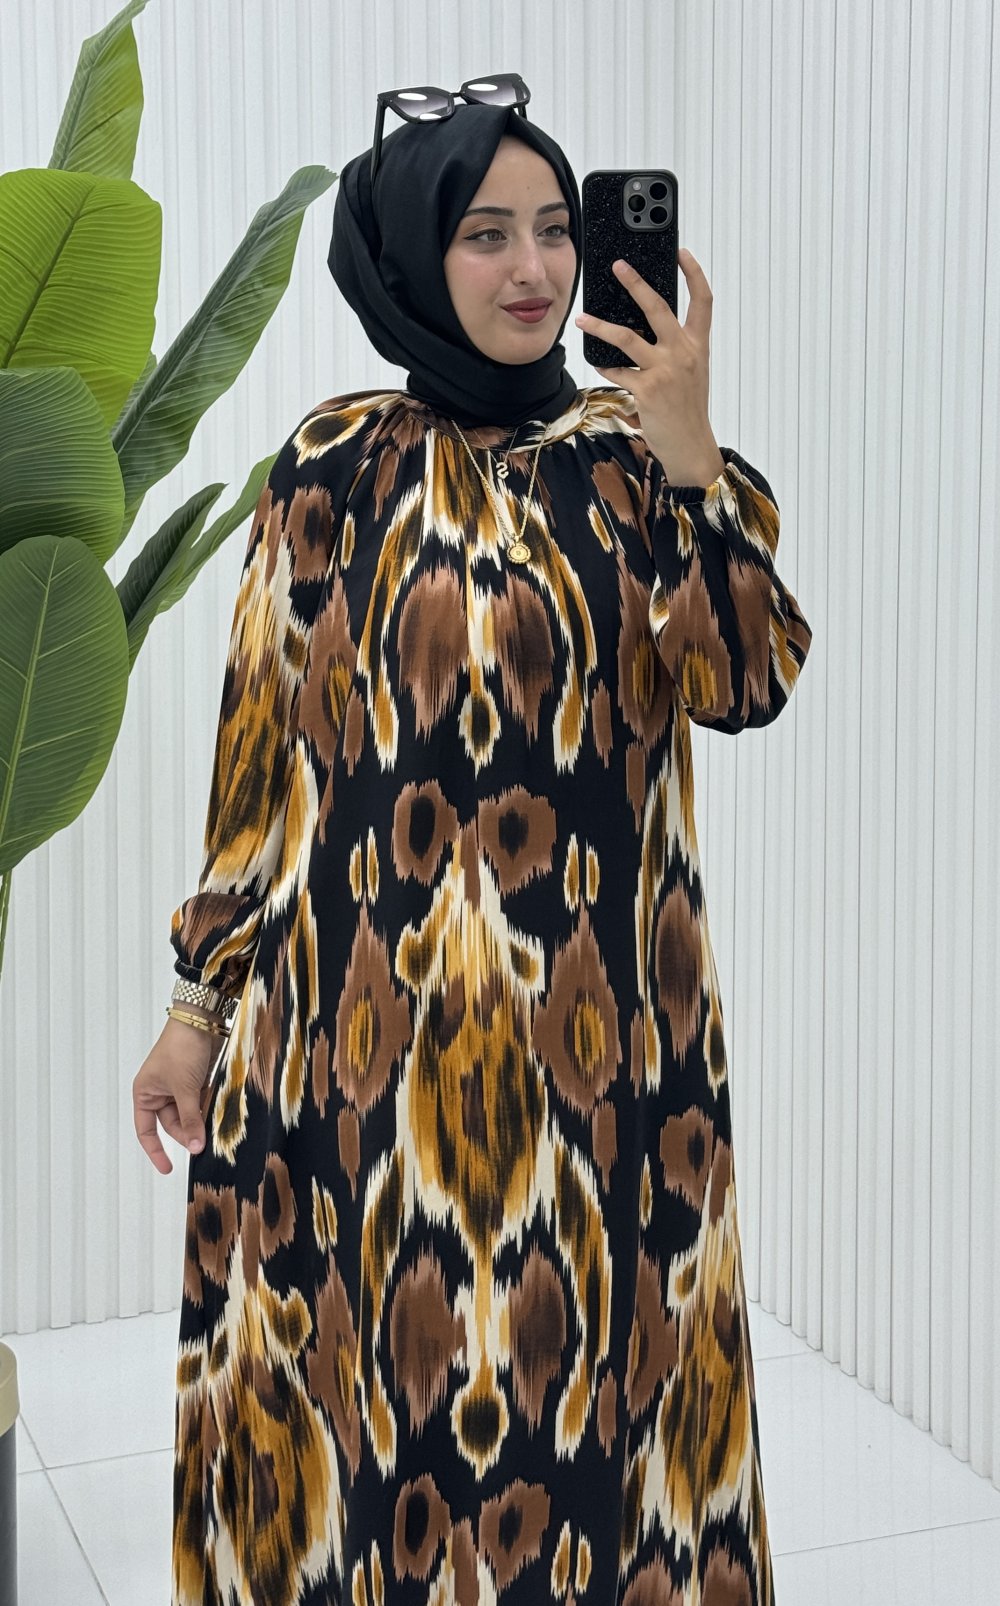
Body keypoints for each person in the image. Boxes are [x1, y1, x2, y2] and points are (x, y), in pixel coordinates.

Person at [132, 80, 810, 1606]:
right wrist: (194, 1009)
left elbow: (746, 681)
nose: (535, 269)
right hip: (361, 1061)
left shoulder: (641, 463)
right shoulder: (329, 469)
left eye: (556, 229)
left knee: (593, 1440)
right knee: (385, 1430)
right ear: (411, 258)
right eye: (487, 233)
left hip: (604, 1061)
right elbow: (261, 768)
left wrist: (693, 460)